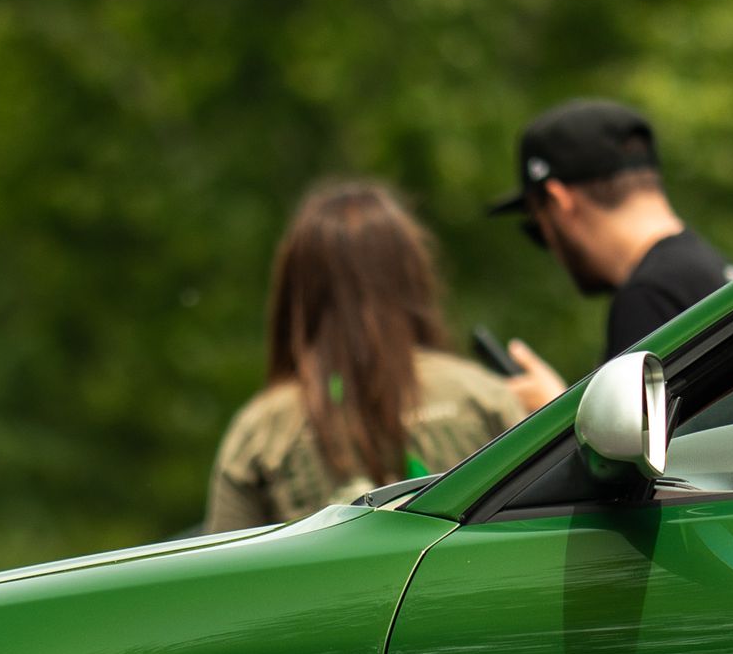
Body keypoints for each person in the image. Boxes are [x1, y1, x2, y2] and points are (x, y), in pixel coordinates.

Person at [206, 178, 559, 530]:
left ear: (299, 294)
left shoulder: (260, 432)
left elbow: (220, 572)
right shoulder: (484, 398)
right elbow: (543, 530)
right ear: (410, 277)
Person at [484, 96, 732, 358]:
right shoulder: (711, 269)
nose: (549, 247)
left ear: (560, 200)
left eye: (537, 228)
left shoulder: (646, 299)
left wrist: (555, 397)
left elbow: (636, 401)